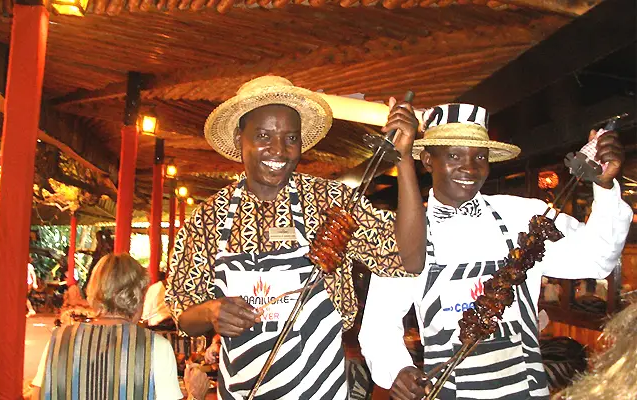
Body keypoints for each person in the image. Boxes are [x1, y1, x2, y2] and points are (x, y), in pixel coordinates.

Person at [165, 75, 426, 399]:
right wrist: (210, 312)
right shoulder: (207, 219)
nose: (279, 149)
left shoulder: (330, 201)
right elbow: (181, 311)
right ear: (238, 138)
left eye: (290, 138)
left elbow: (410, 259)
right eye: (263, 135)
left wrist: (404, 159)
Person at [359, 103, 633, 400]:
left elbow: (597, 258)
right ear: (428, 160)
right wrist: (398, 369)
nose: (469, 168)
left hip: (526, 390)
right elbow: (379, 324)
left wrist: (605, 187)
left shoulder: (523, 216)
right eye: (454, 156)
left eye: (479, 156)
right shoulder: (408, 234)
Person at [30, 254, 183, 399]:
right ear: (139, 297)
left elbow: (37, 396)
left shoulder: (59, 340)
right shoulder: (156, 347)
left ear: (93, 291)